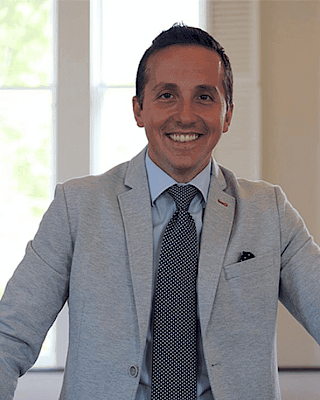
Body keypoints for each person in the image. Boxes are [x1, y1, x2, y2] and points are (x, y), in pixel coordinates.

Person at [0, 23, 320, 400]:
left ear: (227, 114)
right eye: (167, 95)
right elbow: (11, 336)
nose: (185, 116)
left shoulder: (269, 211)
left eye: (204, 97)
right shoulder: (78, 207)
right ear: (139, 109)